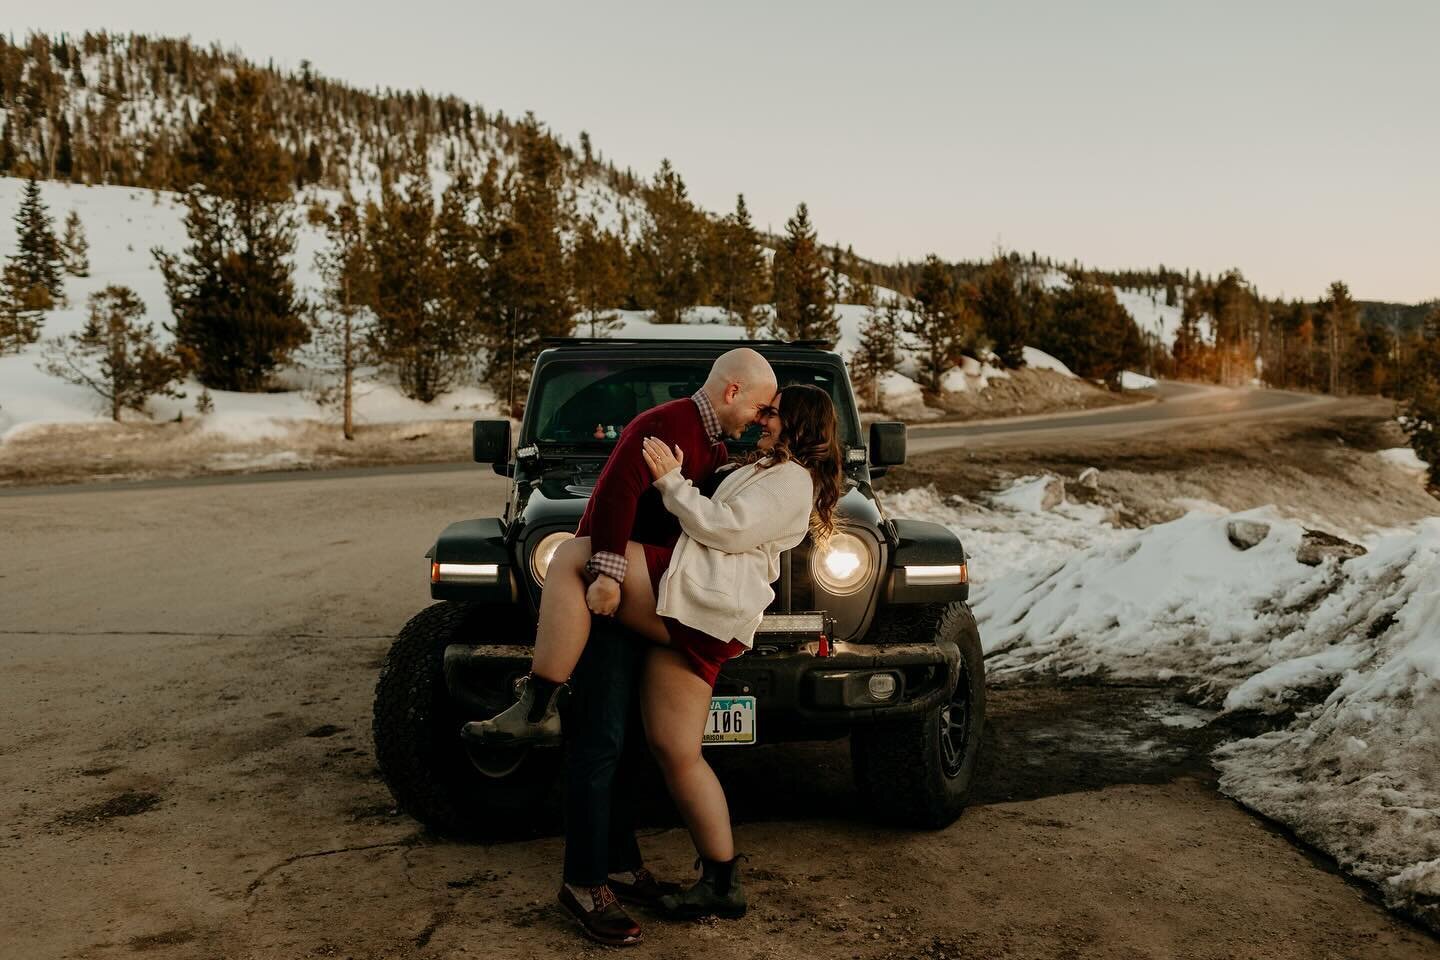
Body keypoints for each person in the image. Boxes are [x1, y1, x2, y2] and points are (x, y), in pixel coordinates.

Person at [463, 348, 778, 946]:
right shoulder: (667, 425)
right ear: (733, 391)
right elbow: (612, 495)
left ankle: (619, 861)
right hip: (609, 606)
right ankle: (582, 882)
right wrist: (607, 576)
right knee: (599, 741)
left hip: (653, 603)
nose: (760, 420)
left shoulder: (710, 444)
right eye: (760, 407)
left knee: (630, 740)